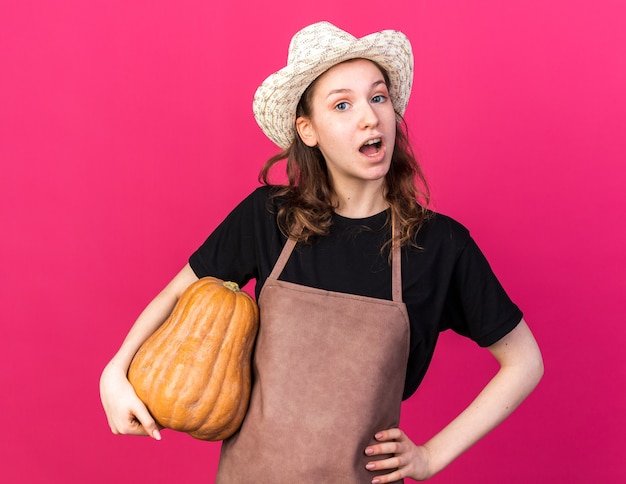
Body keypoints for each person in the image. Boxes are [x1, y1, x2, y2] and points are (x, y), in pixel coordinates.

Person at [100, 21, 543, 483]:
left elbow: (525, 362)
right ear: (307, 130)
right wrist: (114, 373)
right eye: (343, 105)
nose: (369, 118)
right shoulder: (268, 218)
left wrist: (431, 456)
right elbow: (177, 295)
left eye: (378, 98)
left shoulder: (440, 246)